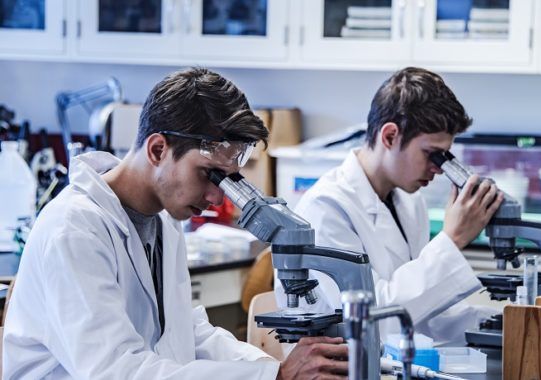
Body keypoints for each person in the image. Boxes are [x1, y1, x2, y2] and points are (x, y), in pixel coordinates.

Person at [3, 67, 347, 379]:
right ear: (157, 150)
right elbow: (115, 371)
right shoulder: (74, 230)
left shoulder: (164, 220)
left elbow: (187, 332)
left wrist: (275, 371)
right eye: (208, 175)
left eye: (227, 181)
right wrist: (275, 378)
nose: (216, 198)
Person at [275, 67, 504, 344]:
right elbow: (371, 320)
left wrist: (498, 325)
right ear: (390, 136)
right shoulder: (326, 208)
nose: (439, 169)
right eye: (432, 154)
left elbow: (426, 313)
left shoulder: (409, 201)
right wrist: (452, 239)